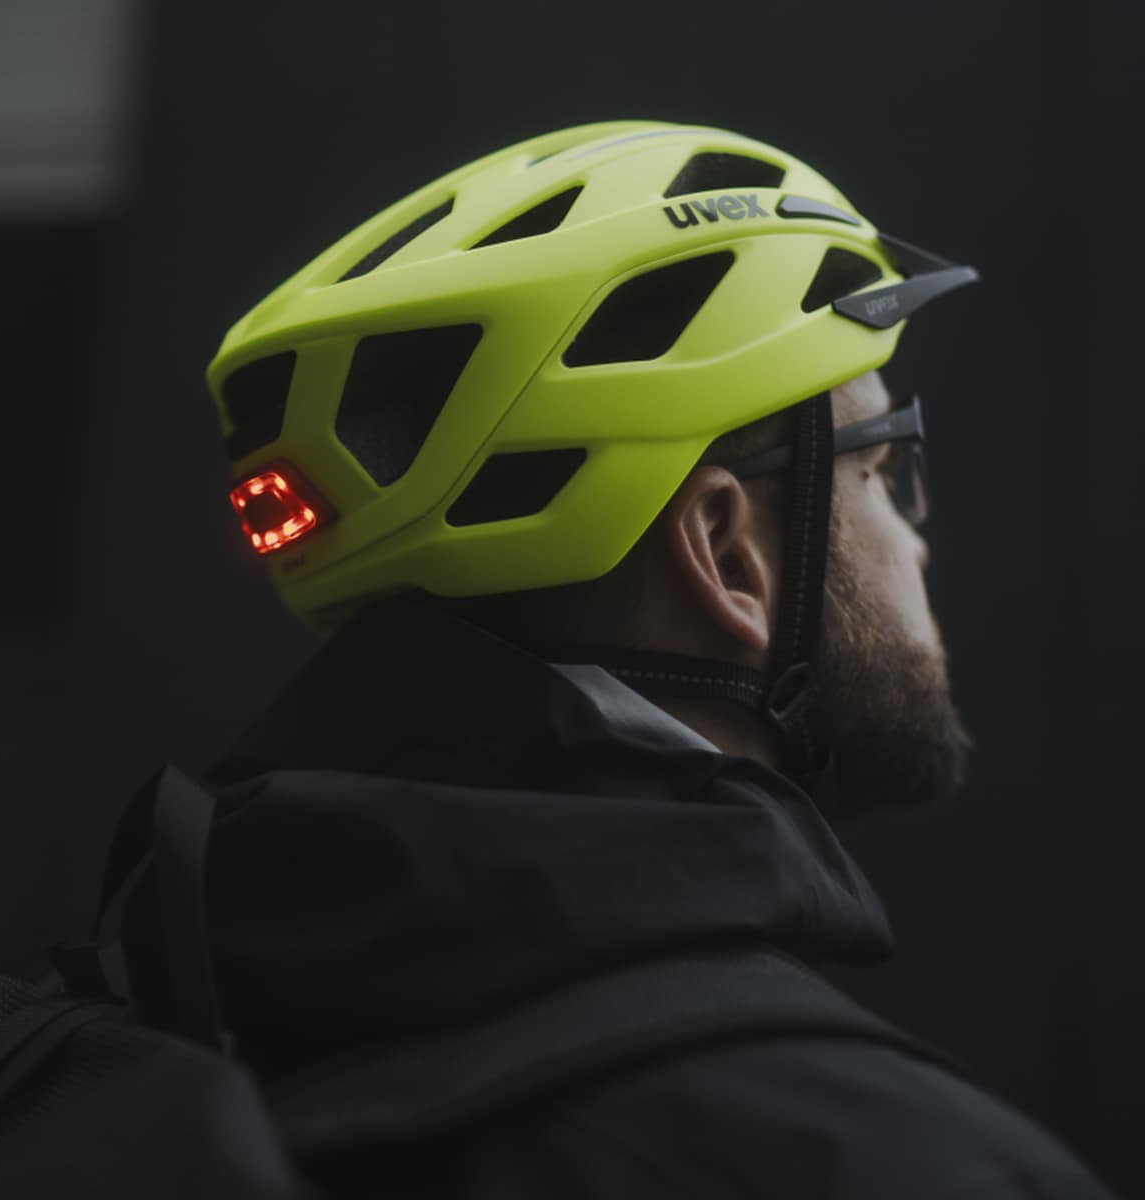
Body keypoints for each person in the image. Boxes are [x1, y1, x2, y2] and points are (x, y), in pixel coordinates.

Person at [114, 121, 1119, 1196]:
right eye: (883, 468)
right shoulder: (891, 1162)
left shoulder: (133, 1046)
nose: (918, 540)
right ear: (727, 553)